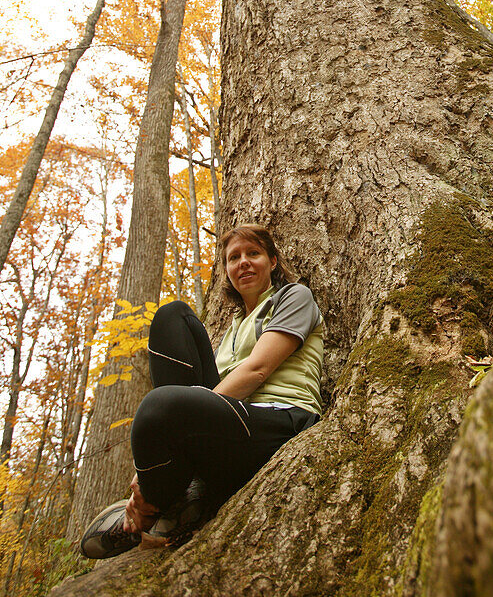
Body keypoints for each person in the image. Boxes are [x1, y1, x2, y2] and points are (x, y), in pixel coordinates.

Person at [81, 224, 323, 558]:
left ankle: (152, 507)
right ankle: (178, 496)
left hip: (282, 422)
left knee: (159, 407)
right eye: (233, 257)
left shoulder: (294, 297)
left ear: (273, 261)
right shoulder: (231, 331)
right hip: (232, 430)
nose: (243, 263)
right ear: (226, 271)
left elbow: (258, 369)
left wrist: (149, 465)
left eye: (253, 253)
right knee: (172, 316)